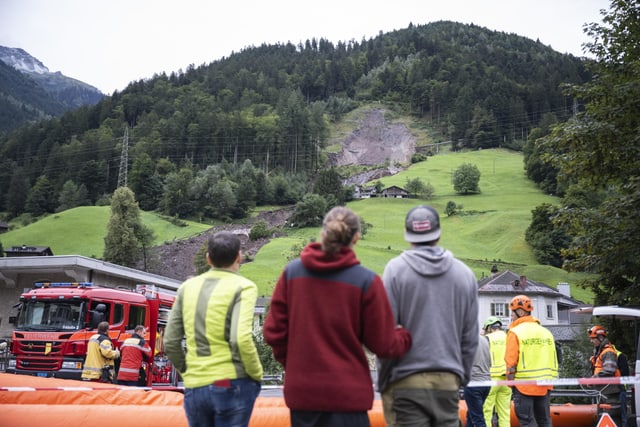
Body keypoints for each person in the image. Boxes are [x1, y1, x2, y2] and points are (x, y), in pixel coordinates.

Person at [263, 206, 412, 427]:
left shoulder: (292, 274)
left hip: (303, 395)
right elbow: (383, 344)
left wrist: (295, 363)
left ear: (323, 232)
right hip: (348, 397)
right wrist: (406, 336)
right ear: (356, 238)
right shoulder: (366, 281)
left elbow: (273, 332)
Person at [377, 204, 479, 427]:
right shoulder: (464, 275)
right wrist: (460, 377)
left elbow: (386, 335)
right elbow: (470, 338)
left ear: (408, 235)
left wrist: (383, 380)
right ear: (439, 233)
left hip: (405, 381)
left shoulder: (395, 271)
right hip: (448, 380)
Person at [164, 231, 263, 427]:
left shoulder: (187, 287)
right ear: (239, 257)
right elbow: (240, 339)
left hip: (195, 385)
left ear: (208, 258)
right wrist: (256, 374)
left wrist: (188, 371)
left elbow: (170, 341)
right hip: (228, 382)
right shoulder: (244, 287)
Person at [505, 295, 558, 427]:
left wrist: (510, 381)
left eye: (512, 312)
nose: (511, 316)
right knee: (545, 421)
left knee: (527, 421)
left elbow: (510, 361)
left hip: (523, 386)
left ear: (521, 312)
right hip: (545, 385)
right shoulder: (546, 332)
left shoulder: (515, 332)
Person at [588, 325, 626, 427]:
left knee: (612, 419)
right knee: (604, 417)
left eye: (593, 339)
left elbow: (609, 370)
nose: (591, 341)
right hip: (605, 392)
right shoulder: (600, 352)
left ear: (601, 338)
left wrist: (593, 380)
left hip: (611, 393)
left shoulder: (608, 352)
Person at [482, 317, 512, 427]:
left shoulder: (486, 339)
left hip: (491, 379)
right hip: (507, 380)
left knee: (486, 412)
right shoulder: (509, 337)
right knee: (505, 413)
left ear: (489, 328)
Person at [464, 332, 491, 427]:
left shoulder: (466, 340)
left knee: (477, 419)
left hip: (473, 382)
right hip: (486, 382)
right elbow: (489, 362)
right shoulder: (484, 339)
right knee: (471, 415)